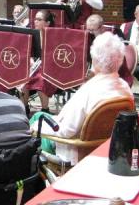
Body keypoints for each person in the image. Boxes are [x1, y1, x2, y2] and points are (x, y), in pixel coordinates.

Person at [31, 32, 133, 165]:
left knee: (36, 119)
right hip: (108, 149)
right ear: (120, 60)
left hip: (75, 152)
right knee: (40, 117)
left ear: (95, 60)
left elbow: (66, 130)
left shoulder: (89, 91)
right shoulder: (125, 88)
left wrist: (34, 127)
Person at [21, 10, 57, 115]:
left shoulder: (53, 37)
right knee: (23, 78)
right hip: (34, 66)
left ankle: (45, 109)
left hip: (48, 68)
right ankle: (25, 107)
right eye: (35, 19)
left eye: (39, 19)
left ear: (47, 23)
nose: (35, 21)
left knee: (41, 78)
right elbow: (27, 53)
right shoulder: (31, 35)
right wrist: (31, 61)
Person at [86, 14, 131, 86]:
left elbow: (109, 68)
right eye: (88, 30)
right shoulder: (90, 37)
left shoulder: (110, 42)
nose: (90, 33)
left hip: (116, 78)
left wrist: (92, 75)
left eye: (93, 30)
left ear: (102, 28)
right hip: (100, 75)